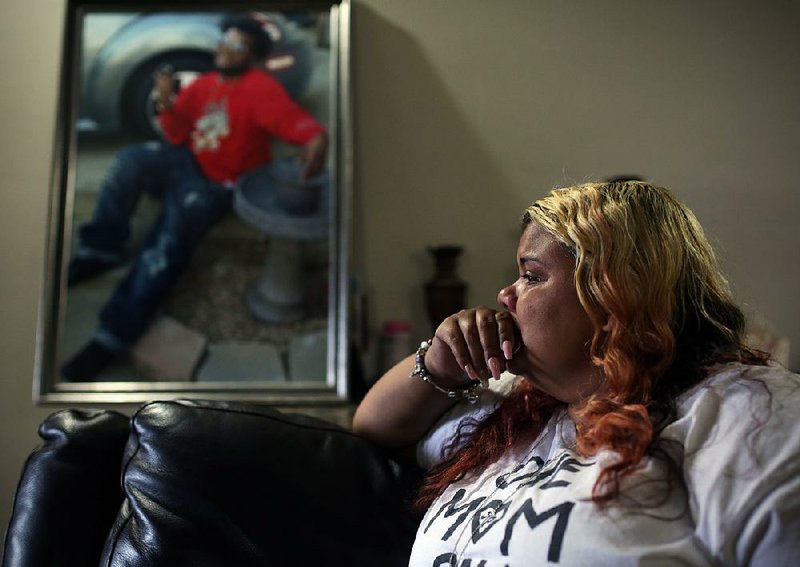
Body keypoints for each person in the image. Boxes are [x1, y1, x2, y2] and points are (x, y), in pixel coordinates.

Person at [353, 181, 800, 565]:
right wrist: (441, 362)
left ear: (612, 297)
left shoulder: (748, 415)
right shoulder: (517, 401)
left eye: (530, 276)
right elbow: (374, 427)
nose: (505, 295)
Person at [62, 13, 328, 381]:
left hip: (220, 182)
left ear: (250, 55)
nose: (225, 48)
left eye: (237, 45)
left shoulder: (261, 89)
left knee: (169, 236)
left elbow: (297, 123)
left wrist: (316, 139)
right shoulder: (203, 84)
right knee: (129, 160)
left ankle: (112, 335)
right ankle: (101, 248)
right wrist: (167, 103)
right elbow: (175, 135)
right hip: (189, 160)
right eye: (224, 41)